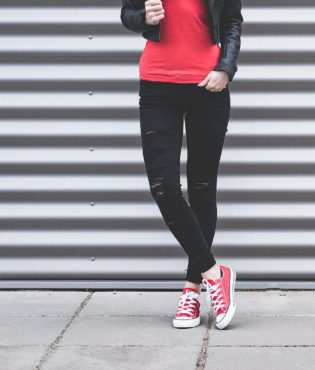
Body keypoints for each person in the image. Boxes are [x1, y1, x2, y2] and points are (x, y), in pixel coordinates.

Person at [120, 0, 242, 330]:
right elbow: (127, 14)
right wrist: (143, 18)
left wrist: (226, 68)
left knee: (202, 188)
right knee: (164, 188)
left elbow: (232, 22)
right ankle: (216, 274)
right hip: (157, 86)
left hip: (209, 86)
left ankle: (192, 289)